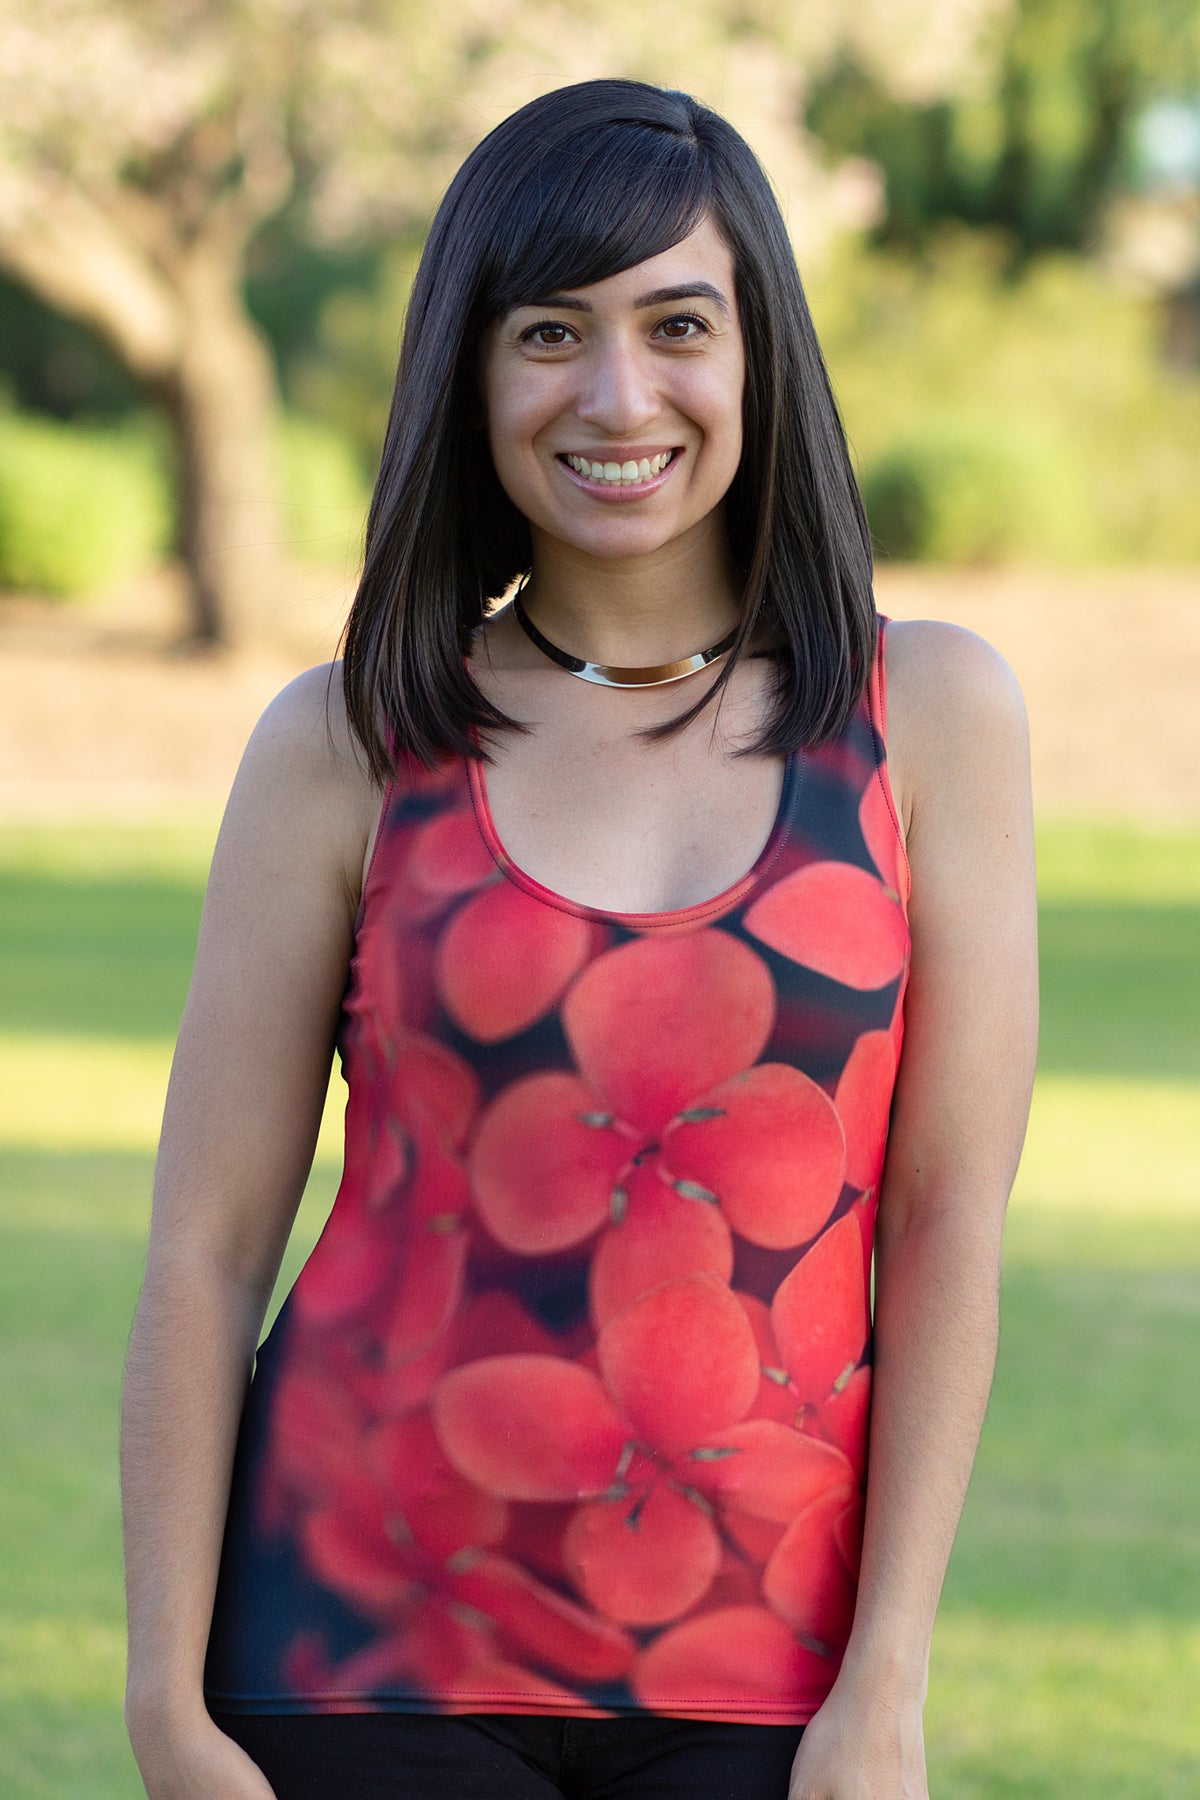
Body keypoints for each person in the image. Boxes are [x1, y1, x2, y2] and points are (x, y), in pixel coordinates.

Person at [120, 78, 1038, 1800]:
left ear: (758, 354)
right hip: (350, 1664)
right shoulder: (348, 739)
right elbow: (206, 1247)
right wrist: (171, 1714)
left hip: (767, 1671)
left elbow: (942, 1222)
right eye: (550, 331)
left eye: (676, 324)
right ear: (471, 376)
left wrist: (888, 1689)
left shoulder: (933, 717)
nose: (619, 395)